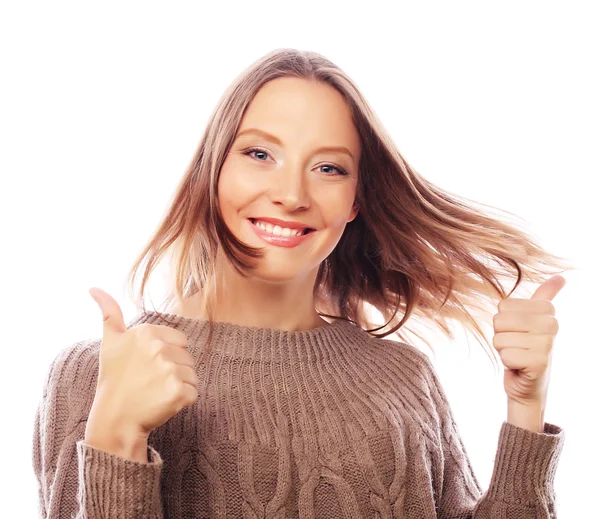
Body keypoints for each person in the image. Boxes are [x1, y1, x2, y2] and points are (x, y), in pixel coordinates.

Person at [32, 48, 574, 518]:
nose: (291, 194)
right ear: (212, 170)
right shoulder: (99, 373)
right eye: (260, 154)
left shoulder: (403, 378)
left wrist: (526, 406)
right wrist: (116, 439)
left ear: (356, 200)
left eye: (329, 168)